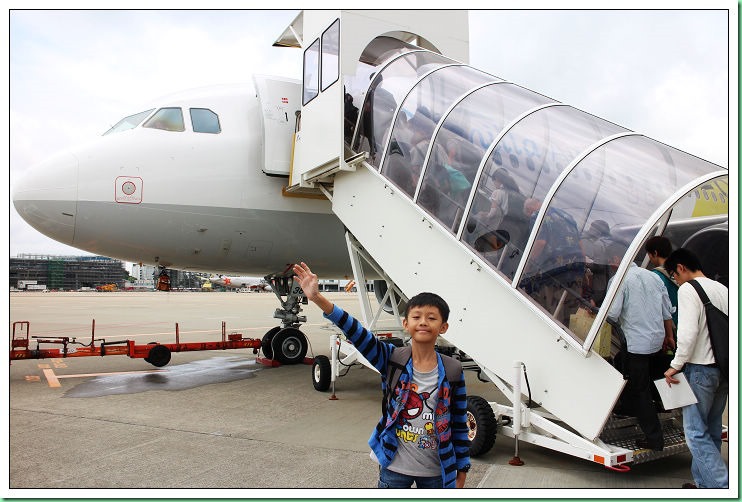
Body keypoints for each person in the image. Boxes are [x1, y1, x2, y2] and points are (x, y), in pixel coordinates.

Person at [292, 262, 471, 489]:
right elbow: (356, 331)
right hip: (394, 465)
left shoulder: (453, 370)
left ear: (443, 327)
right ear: (406, 324)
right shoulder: (391, 359)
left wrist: (462, 467)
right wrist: (318, 298)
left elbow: (458, 424)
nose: (423, 322)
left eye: (431, 318)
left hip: (437, 469)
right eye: (417, 317)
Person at [663, 248, 728, 489]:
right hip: (724, 370)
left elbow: (688, 334)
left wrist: (674, 365)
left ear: (681, 267)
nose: (676, 281)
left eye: (674, 275)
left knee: (694, 433)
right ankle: (703, 484)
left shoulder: (689, 289)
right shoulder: (722, 289)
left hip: (700, 369)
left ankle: (721, 487)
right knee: (711, 430)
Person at [607, 260, 675, 451]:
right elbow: (666, 311)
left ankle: (654, 438)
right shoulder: (653, 276)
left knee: (640, 390)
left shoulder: (619, 279)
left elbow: (612, 313)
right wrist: (669, 336)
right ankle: (629, 407)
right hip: (656, 341)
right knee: (622, 362)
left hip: (636, 343)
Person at [645, 236, 679, 328]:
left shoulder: (655, 275)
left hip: (670, 326)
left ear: (655, 253)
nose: (650, 259)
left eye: (649, 254)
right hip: (686, 322)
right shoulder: (680, 270)